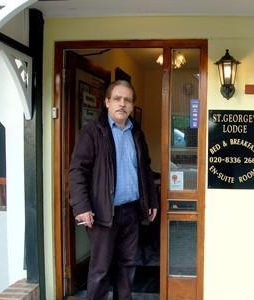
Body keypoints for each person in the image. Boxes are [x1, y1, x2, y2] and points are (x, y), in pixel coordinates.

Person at [69, 80, 158, 300]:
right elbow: (77, 170)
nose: (122, 103)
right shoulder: (93, 131)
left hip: (131, 211)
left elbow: (145, 168)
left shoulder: (136, 133)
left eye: (127, 99)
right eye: (117, 98)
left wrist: (152, 200)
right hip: (102, 213)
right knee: (100, 269)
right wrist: (81, 206)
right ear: (107, 102)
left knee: (127, 266)